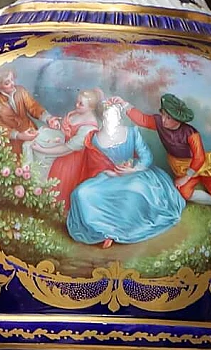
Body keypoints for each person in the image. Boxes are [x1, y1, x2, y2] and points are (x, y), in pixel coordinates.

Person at [122, 93, 211, 242]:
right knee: (185, 193)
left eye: (168, 117)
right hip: (181, 166)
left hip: (200, 166)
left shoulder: (190, 133)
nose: (164, 119)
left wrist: (186, 177)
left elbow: (199, 158)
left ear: (178, 119)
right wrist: (124, 104)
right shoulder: (159, 122)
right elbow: (143, 120)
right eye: (163, 115)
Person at [65, 99, 185, 248]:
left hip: (135, 173)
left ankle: (121, 230)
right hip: (109, 177)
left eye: (114, 115)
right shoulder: (95, 138)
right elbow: (95, 165)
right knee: (81, 193)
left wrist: (133, 169)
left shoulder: (132, 132)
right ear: (102, 118)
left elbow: (146, 157)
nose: (111, 119)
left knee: (135, 190)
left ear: (120, 116)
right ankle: (102, 231)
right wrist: (110, 172)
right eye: (107, 116)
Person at [28, 88, 113, 200]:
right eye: (77, 101)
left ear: (91, 108)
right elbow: (65, 131)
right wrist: (56, 125)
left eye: (81, 104)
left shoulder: (89, 128)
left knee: (56, 188)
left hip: (69, 162)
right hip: (60, 145)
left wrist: (42, 149)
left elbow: (67, 148)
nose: (76, 105)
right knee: (32, 143)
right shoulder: (77, 113)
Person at [0, 66, 58, 150]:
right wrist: (18, 135)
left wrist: (48, 118)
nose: (12, 83)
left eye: (12, 79)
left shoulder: (21, 91)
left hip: (31, 132)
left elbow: (33, 107)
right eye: (7, 83)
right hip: (12, 143)